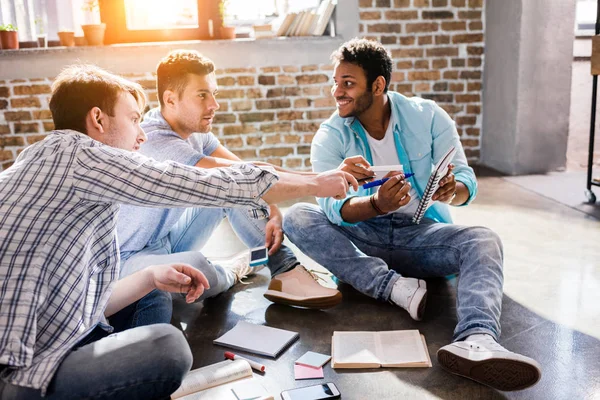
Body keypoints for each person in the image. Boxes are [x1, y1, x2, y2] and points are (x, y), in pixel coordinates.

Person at [0, 64, 356, 400]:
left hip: (52, 336)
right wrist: (316, 182)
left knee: (150, 288)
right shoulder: (81, 157)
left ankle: (267, 270)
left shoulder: (42, 161)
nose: (140, 136)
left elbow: (86, 301)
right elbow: (202, 183)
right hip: (23, 375)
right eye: (132, 119)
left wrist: (152, 276)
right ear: (97, 119)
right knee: (167, 347)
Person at [282, 38, 542, 391]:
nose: (337, 92)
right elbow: (335, 210)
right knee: (297, 215)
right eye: (336, 82)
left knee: (483, 239)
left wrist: (454, 188)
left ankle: (476, 339)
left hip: (418, 234)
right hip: (362, 237)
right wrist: (377, 205)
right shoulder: (330, 135)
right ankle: (394, 288)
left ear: (378, 85)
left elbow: (466, 177)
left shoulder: (428, 116)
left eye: (348, 83)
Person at [117, 49, 343, 313]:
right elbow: (239, 179)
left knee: (231, 185)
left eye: (215, 93)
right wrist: (319, 183)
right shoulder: (157, 142)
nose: (214, 104)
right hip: (131, 259)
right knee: (198, 264)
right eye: (202, 95)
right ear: (171, 99)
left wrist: (273, 206)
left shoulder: (192, 130)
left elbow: (245, 170)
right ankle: (232, 271)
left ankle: (286, 270)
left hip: (167, 239)